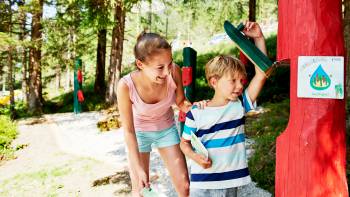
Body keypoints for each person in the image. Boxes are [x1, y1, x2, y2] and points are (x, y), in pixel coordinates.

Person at [180, 21, 267, 197]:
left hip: (231, 183)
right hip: (202, 184)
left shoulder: (239, 106)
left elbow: (262, 73)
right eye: (233, 81)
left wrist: (259, 38)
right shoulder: (196, 112)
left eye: (241, 81)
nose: (239, 86)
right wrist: (195, 157)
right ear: (214, 82)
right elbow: (184, 143)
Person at [117, 32, 199, 197]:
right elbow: (129, 130)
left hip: (166, 129)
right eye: (160, 67)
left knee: (185, 187)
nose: (166, 71)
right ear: (140, 64)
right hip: (139, 133)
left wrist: (198, 108)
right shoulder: (126, 86)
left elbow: (181, 102)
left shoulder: (174, 72)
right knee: (140, 190)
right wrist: (138, 168)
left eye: (169, 64)